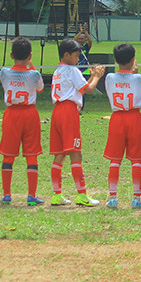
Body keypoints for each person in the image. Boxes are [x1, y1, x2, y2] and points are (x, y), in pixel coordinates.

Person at [49, 39, 105, 207]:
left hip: (57, 111)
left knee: (60, 153)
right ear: (66, 55)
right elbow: (88, 89)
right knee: (75, 153)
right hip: (68, 111)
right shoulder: (72, 70)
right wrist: (96, 77)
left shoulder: (57, 71)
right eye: (75, 56)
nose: (77, 60)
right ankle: (82, 194)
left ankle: (56, 194)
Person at [0, 37, 45, 206]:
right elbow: (40, 88)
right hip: (29, 114)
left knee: (8, 154)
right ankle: (31, 195)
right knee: (31, 154)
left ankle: (7, 195)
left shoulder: (4, 72)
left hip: (11, 114)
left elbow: (6, 82)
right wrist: (30, 65)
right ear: (30, 55)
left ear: (11, 55)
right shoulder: (34, 74)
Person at [103, 42, 141, 209]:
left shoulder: (109, 77)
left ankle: (113, 197)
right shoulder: (139, 79)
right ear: (133, 60)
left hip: (117, 118)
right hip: (134, 118)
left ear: (116, 60)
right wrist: (134, 74)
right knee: (136, 159)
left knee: (115, 159)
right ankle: (136, 197)